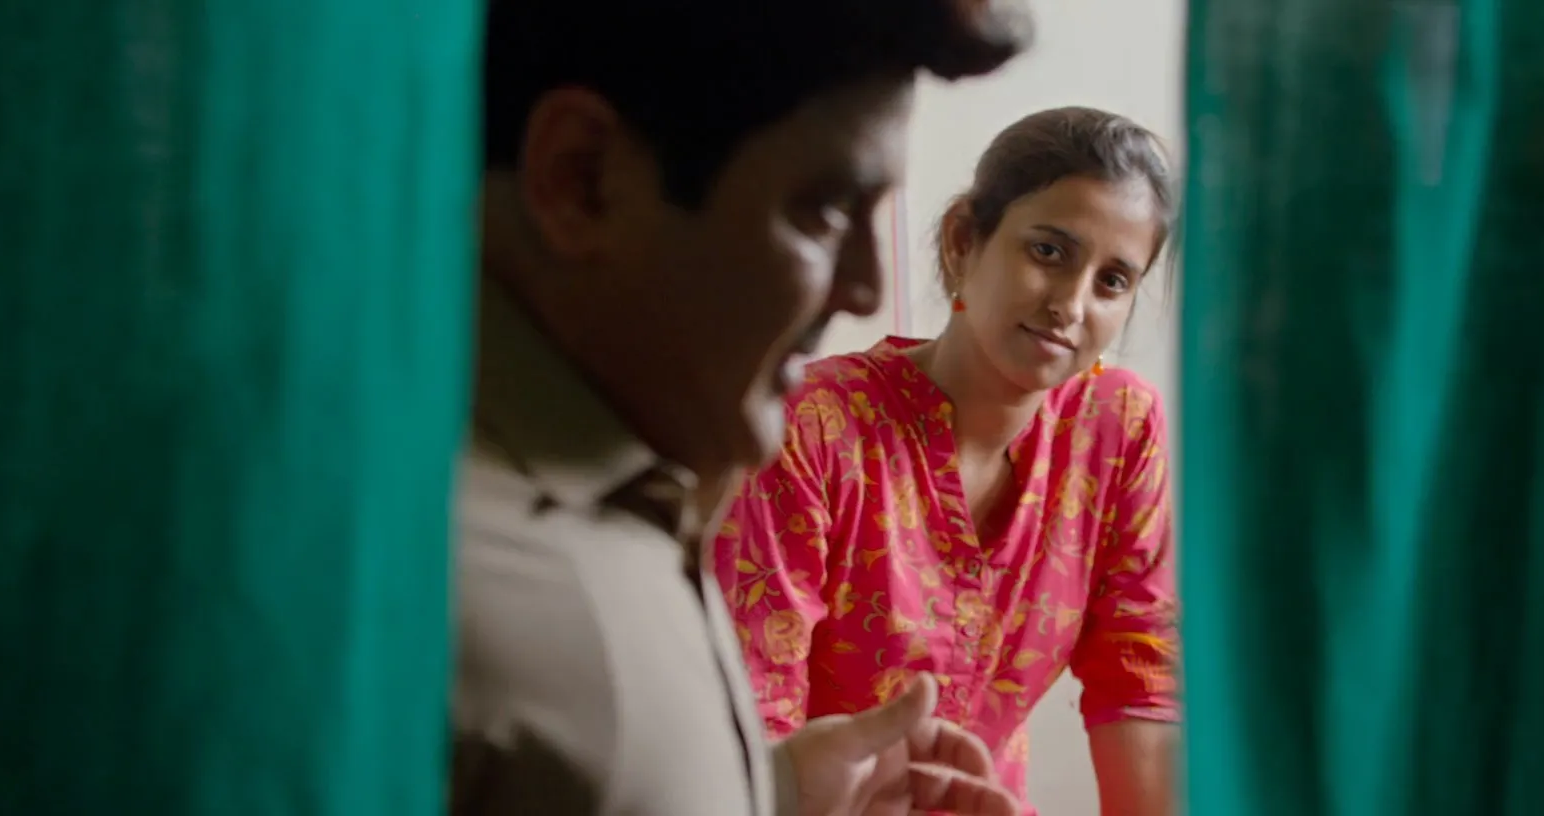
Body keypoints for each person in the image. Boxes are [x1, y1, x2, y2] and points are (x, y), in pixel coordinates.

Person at [451, 2, 1036, 815]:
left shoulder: (639, 481)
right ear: (580, 180)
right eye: (824, 210)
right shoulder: (429, 594)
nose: (866, 287)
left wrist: (776, 790)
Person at [712, 106, 1183, 816]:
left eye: (1112, 281)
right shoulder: (812, 429)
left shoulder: (1118, 428)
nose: (1071, 303)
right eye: (1048, 252)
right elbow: (751, 730)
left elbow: (1137, 680)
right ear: (964, 240)